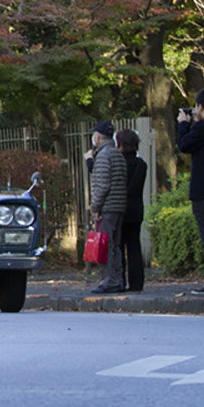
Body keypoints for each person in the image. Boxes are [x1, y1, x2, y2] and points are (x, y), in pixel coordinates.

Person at [176, 88, 204, 295]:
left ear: (201, 106)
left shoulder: (202, 129)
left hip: (203, 191)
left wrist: (183, 123)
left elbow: (183, 145)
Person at [87, 119, 127, 294]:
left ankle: (109, 280)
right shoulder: (117, 153)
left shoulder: (103, 155)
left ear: (97, 137)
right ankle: (118, 279)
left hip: (107, 207)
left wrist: (95, 207)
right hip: (119, 205)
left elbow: (102, 185)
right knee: (115, 245)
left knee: (105, 245)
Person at [116, 128, 148, 292]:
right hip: (136, 208)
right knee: (134, 245)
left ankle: (119, 280)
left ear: (120, 144)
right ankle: (137, 282)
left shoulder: (118, 163)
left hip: (119, 207)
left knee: (119, 246)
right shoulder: (141, 164)